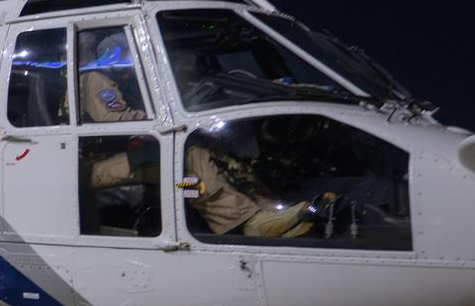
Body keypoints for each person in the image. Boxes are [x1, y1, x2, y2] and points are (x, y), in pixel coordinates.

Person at [81, 32, 312, 238]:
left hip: (130, 156)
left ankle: (268, 211)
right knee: (191, 162)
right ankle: (246, 221)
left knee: (218, 156)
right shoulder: (96, 79)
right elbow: (115, 120)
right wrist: (166, 114)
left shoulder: (130, 83)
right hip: (97, 165)